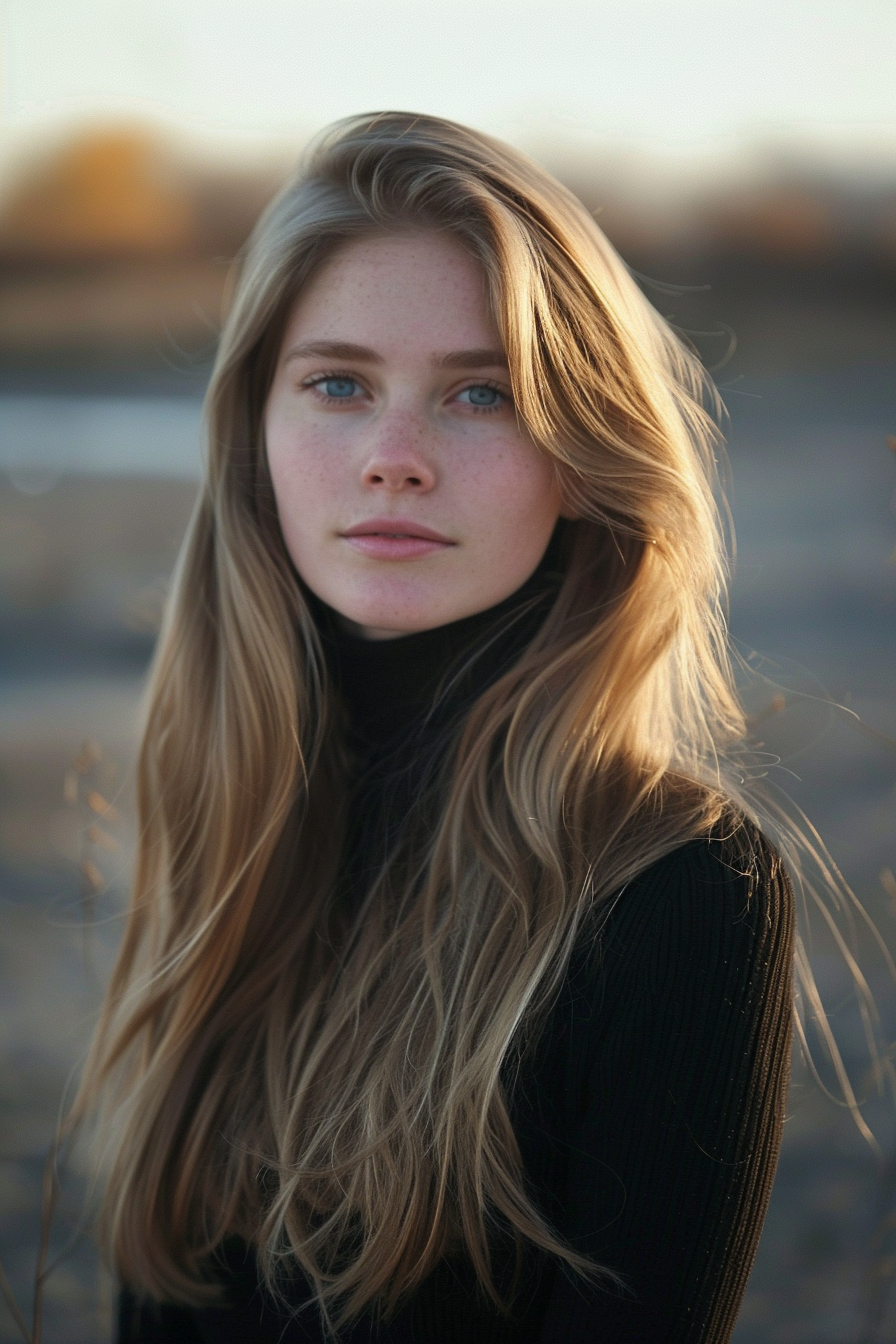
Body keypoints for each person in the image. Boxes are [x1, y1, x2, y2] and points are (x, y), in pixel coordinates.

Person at [75, 111, 794, 1343]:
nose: (393, 458)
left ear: (579, 458)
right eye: (339, 383)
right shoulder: (234, 812)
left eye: (480, 394)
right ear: (256, 430)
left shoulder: (678, 891)